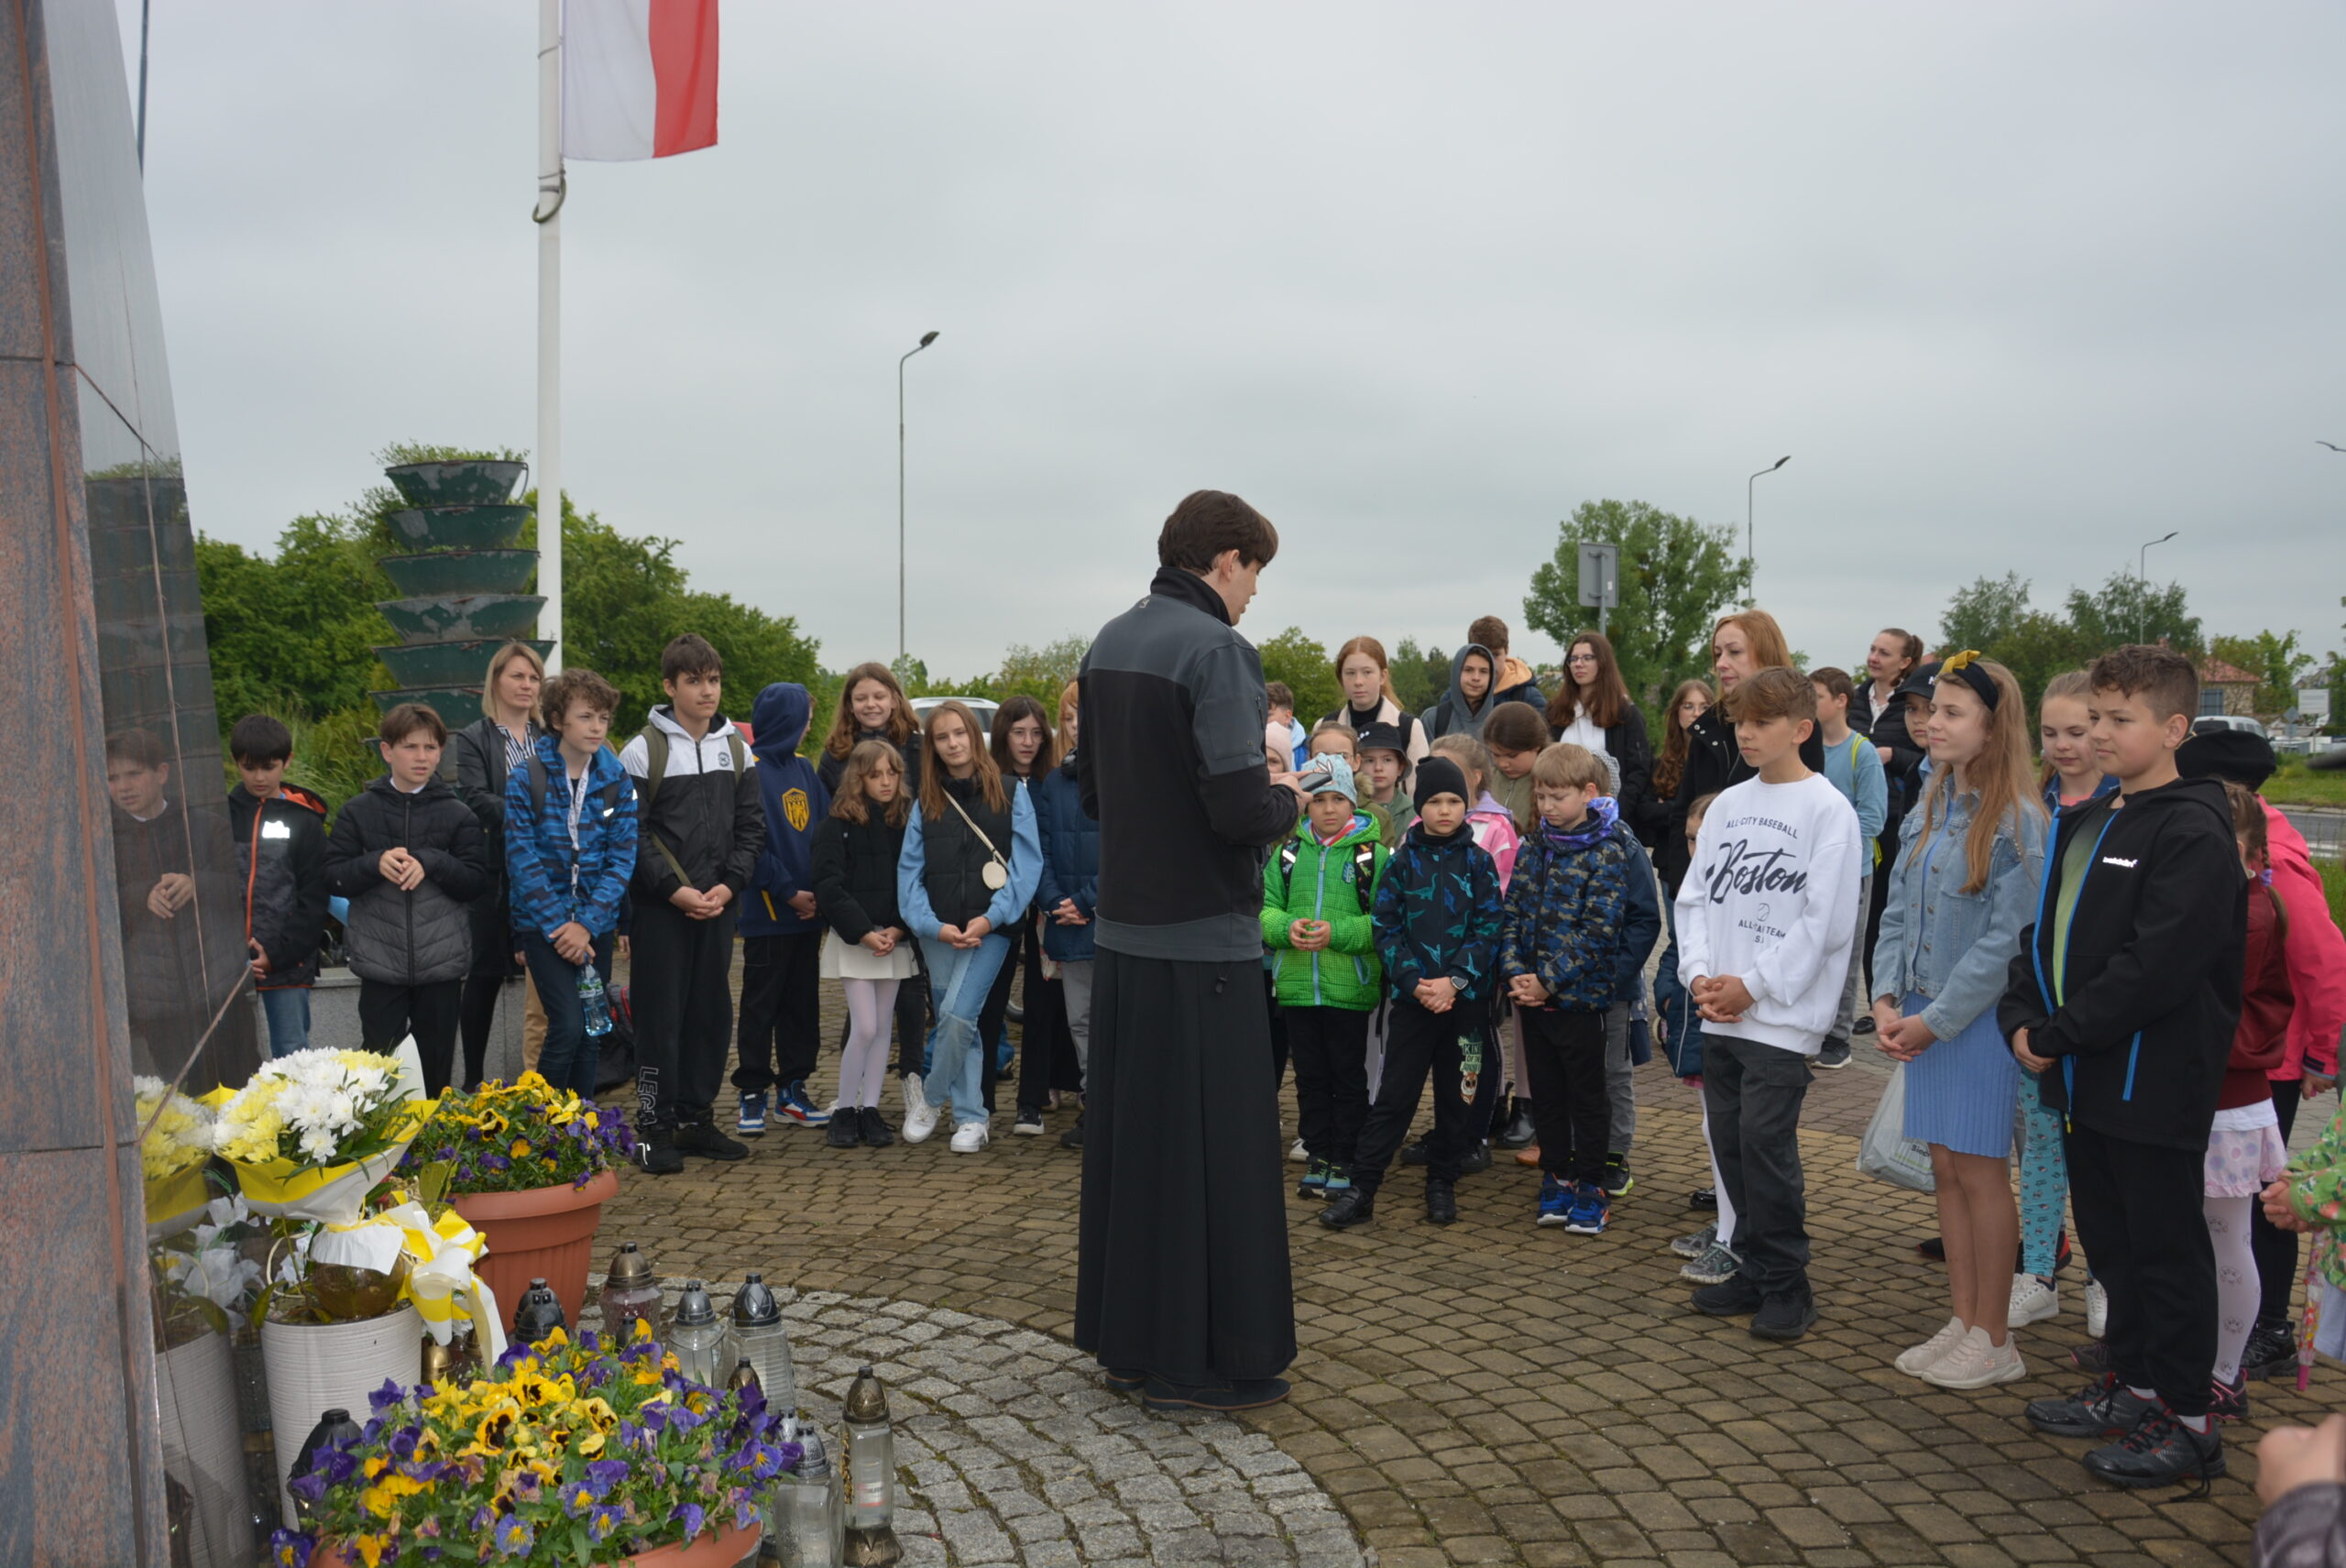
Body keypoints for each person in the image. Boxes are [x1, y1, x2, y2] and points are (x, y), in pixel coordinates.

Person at [1073, 489, 1309, 1413]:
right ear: (1227, 559)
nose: (1253, 594)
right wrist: (1289, 798)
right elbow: (1240, 808)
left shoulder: (1108, 642)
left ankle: (1131, 1351)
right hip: (1206, 946)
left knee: (1138, 1153)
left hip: (1124, 940)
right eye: (1255, 573)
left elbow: (1093, 795)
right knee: (1213, 1159)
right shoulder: (1217, 650)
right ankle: (1191, 1366)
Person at [2003, 644, 2245, 1488]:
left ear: (2174, 728)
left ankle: (2190, 1423)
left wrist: (2059, 1032)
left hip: (2153, 1081)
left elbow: (2157, 965)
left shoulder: (2193, 828)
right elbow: (2043, 935)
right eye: (2094, 717)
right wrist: (2021, 1018)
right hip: (2084, 1078)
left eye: (2119, 719)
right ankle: (2136, 1386)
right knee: (2113, 1243)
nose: (2099, 733)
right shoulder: (2089, 818)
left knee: (2165, 1253)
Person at [1868, 653, 2047, 1388]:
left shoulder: (2019, 821)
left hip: (1971, 1023)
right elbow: (1896, 907)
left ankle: (1996, 1336)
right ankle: (1966, 1316)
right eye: (1929, 710)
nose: (1931, 724)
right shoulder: (1930, 804)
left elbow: (2007, 942)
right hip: (1922, 1013)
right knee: (1945, 1167)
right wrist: (1884, 997)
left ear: (1993, 727)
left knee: (1979, 1171)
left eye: (1949, 712)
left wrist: (1935, 1020)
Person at [1677, 666, 1863, 1342]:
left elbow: (1827, 922)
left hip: (1782, 1017)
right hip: (1720, 1011)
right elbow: (1695, 899)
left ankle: (1789, 1284)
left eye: (1762, 722)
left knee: (1764, 1146)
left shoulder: (1828, 810)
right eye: (1740, 722)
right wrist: (1700, 975)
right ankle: (1753, 1270)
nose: (1746, 734)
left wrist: (1753, 985)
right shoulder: (1728, 804)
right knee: (1729, 1143)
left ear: (1802, 728)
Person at [2176, 723, 2346, 1383]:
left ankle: (2269, 1324)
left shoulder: (2277, 862)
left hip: (2265, 1059)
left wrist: (2323, 1055)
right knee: (2233, 1206)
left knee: (2265, 1205)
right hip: (2235, 1055)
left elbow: (2324, 961)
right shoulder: (2227, 838)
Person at [1322, 757, 1505, 1231]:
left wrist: (1455, 980)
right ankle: (1363, 1189)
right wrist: (1414, 983)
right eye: (1434, 801)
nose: (1444, 810)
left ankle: (1442, 1182)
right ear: (1419, 806)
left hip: (1465, 1005)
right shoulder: (1402, 863)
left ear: (1465, 806)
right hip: (1413, 1003)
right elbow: (1385, 928)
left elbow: (1490, 928)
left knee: (1457, 1099)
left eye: (1454, 801)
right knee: (1394, 1098)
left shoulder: (1479, 863)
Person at [620, 633, 765, 1174]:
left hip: (718, 907)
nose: (707, 691)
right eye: (694, 681)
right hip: (662, 911)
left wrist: (730, 886)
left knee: (709, 1016)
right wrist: (673, 891)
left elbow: (752, 828)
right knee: (659, 1021)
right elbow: (629, 835)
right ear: (669, 686)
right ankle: (653, 1129)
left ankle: (696, 1119)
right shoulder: (640, 750)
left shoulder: (737, 748)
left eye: (714, 680)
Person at [2012, 669, 2118, 1335]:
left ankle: (2106, 1277)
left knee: (2101, 1162)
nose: (2063, 745)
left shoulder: (2124, 807)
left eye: (2077, 730)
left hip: (2099, 1019)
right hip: (2039, 1010)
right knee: (2041, 1153)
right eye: (2050, 733)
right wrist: (2024, 1017)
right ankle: (2038, 1270)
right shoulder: (2034, 803)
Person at [1496, 742, 1636, 1235]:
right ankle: (1556, 1177)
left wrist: (1549, 981)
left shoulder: (1608, 850)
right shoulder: (1533, 847)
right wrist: (1515, 972)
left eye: (1558, 797)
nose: (1547, 806)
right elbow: (1512, 914)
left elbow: (1600, 930)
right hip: (1531, 1001)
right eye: (1541, 796)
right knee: (1547, 1095)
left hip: (1580, 1001)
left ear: (1588, 793)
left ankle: (1592, 1187)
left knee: (1587, 1097)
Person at [896, 699, 1041, 1152]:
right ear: (932, 746)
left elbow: (1027, 868)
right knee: (959, 1022)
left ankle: (930, 1098)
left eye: (959, 733)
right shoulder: (926, 802)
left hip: (990, 929)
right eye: (942, 737)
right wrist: (930, 926)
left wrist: (991, 918)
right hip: (938, 933)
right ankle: (972, 1118)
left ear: (973, 737)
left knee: (959, 1015)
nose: (953, 743)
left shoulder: (1012, 793)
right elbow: (909, 874)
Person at [2194, 781, 2297, 1421]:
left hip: (2227, 1100)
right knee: (2209, 1239)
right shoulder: (2233, 903)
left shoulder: (2250, 913)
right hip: (2210, 1092)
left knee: (2228, 1239)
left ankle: (2225, 1374)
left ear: (2254, 855)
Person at [325, 703, 490, 1094]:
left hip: (441, 967)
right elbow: (331, 876)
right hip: (380, 965)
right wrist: (374, 863)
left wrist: (433, 862)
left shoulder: (459, 814)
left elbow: (475, 882)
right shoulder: (357, 812)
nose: (422, 757)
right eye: (410, 747)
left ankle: (431, 1133)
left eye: (430, 748)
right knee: (378, 1078)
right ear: (387, 751)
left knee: (435, 1075)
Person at [503, 667, 639, 1098]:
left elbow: (623, 858)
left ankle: (581, 1121)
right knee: (565, 1025)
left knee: (592, 1029)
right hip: (545, 928)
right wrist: (562, 926)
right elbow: (521, 859)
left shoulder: (617, 780)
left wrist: (588, 924)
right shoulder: (527, 777)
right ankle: (541, 1120)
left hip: (595, 926)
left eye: (603, 718)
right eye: (586, 717)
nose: (597, 727)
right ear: (558, 720)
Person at [1265, 756, 1387, 1202]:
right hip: (1298, 988)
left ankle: (1345, 1157)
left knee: (1347, 1076)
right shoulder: (1287, 854)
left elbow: (1384, 920)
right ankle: (1318, 1154)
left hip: (1348, 987)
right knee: (1310, 1077)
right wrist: (1285, 929)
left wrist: (1339, 934)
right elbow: (1265, 908)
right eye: (1318, 800)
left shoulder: (1372, 856)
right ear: (1305, 804)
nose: (1329, 808)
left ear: (1354, 803)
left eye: (1338, 799)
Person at [817, 660, 933, 1110]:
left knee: (910, 996)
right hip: (857, 899)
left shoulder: (918, 747)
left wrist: (906, 914)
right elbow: (831, 829)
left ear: (894, 699)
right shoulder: (835, 754)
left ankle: (911, 1080)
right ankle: (853, 1098)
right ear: (849, 704)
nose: (871, 704)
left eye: (879, 695)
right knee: (864, 1014)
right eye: (861, 697)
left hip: (904, 894)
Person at [733, 682, 832, 1136]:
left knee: (802, 1008)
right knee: (760, 1008)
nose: (808, 727)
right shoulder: (748, 771)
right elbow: (750, 844)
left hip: (807, 918)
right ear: (786, 721)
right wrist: (788, 891)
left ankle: (793, 1090)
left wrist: (821, 893)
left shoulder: (805, 768)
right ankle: (752, 1092)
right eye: (804, 719)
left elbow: (824, 832)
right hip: (767, 916)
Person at [447, 640, 546, 1088]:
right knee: (484, 976)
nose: (527, 685)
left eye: (534, 677)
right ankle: (473, 1082)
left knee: (544, 979)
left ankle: (545, 1080)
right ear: (496, 681)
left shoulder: (549, 737)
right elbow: (476, 798)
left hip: (546, 873)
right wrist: (537, 817)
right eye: (517, 676)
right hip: (494, 871)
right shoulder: (475, 737)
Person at [811, 740, 915, 1150]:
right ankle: (844, 1109)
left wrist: (899, 928)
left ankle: (869, 1109)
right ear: (858, 778)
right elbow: (828, 886)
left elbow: (914, 880)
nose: (886, 782)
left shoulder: (905, 823)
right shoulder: (835, 826)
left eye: (892, 773)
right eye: (876, 775)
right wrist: (863, 931)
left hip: (893, 939)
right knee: (866, 1026)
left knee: (883, 1027)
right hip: (856, 940)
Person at [1667, 610, 1826, 863]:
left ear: (1765, 655)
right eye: (1718, 654)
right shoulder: (1707, 726)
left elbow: (1803, 815)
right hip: (1703, 874)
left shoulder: (1799, 728)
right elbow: (1683, 813)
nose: (1721, 664)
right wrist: (1684, 876)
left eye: (1734, 652)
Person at [1668, 792, 1745, 1287]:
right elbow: (1676, 950)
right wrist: (1672, 994)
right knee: (1713, 1128)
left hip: (1736, 1018)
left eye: (1706, 839)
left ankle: (1736, 1234)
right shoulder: (1693, 884)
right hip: (1701, 1019)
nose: (1697, 849)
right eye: (1691, 839)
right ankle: (1727, 1222)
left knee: (1735, 1131)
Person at [225, 715, 328, 1058]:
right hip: (227, 966)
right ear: (236, 762)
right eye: (249, 767)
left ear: (287, 761)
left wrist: (278, 955)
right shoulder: (220, 816)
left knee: (292, 1054)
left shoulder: (306, 821)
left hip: (288, 964)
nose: (259, 777)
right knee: (233, 1057)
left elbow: (314, 900)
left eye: (268, 767)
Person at [981, 694, 1056, 1127]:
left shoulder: (1053, 784)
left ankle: (1032, 1101)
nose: (1027, 742)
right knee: (991, 1003)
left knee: (1040, 1003)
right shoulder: (989, 783)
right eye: (1018, 732)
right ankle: (982, 1102)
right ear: (1003, 735)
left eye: (1035, 733)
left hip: (1045, 907)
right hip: (1000, 906)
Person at [1809, 668, 1889, 1072]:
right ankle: (1811, 1028)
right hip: (1808, 869)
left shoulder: (1862, 752)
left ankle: (1838, 1038)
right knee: (1812, 948)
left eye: (1817, 696)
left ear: (1841, 701)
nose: (1810, 704)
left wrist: (1828, 838)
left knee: (1845, 951)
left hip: (1850, 872)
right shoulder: (1804, 747)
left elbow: (1874, 817)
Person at [1031, 681, 1100, 1148]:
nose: (1077, 726)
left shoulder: (1127, 778)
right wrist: (1056, 902)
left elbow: (1131, 852)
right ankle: (1094, 1106)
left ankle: (1122, 1110)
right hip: (1068, 923)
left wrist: (1090, 900)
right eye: (1070, 718)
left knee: (1119, 1023)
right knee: (1081, 1020)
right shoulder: (1054, 783)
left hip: (1111, 922)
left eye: (1085, 715)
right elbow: (1040, 851)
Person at [1850, 627, 1928, 1017]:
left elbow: (1930, 758)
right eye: (1872, 649)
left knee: (1887, 912)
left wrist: (1892, 756)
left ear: (1905, 662)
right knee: (1860, 915)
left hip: (1898, 818)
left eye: (1884, 652)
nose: (1874, 657)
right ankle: (1869, 1003)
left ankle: (1882, 1002)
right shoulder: (1855, 699)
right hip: (1858, 818)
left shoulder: (1913, 705)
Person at [1545, 631, 1652, 832]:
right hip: (1560, 820)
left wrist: (1617, 812)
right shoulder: (1555, 711)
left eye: (1587, 658)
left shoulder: (1626, 713)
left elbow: (1639, 770)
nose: (1578, 664)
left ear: (1603, 663)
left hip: (1608, 822)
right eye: (1573, 659)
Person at [1326, 636, 1429, 777]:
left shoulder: (1409, 729)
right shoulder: (1325, 726)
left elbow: (1417, 786)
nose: (1358, 681)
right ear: (1341, 678)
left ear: (1383, 676)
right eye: (1350, 673)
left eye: (1367, 672)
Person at [1482, 701, 1547, 833]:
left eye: (1512, 756)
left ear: (1536, 746)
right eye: (1495, 755)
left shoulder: (1553, 781)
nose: (1503, 764)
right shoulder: (1486, 780)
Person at [1420, 642, 1499, 741]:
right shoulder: (1433, 719)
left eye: (1483, 671)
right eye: (1468, 670)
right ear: (1456, 673)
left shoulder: (1502, 721)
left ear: (1491, 677)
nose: (1476, 678)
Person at [1468, 615, 1545, 710]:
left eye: (1495, 655)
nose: (1491, 663)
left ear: (1507, 650)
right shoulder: (1456, 698)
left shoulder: (1528, 698)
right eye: (1483, 656)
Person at [1265, 680, 1309, 770]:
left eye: (1268, 715)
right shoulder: (1249, 748)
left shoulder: (1310, 749)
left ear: (1287, 717)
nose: (1261, 720)